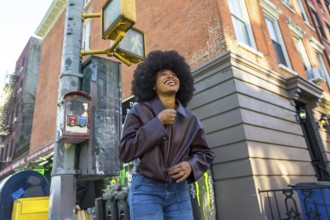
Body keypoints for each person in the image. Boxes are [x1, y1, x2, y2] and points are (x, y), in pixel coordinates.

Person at [118, 50, 214, 219]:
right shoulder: (138, 111)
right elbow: (125, 152)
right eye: (163, 74)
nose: (170, 77)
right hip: (146, 189)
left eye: (174, 74)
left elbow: (205, 153)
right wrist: (157, 123)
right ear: (152, 84)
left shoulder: (191, 119)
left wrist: (191, 165)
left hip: (179, 192)